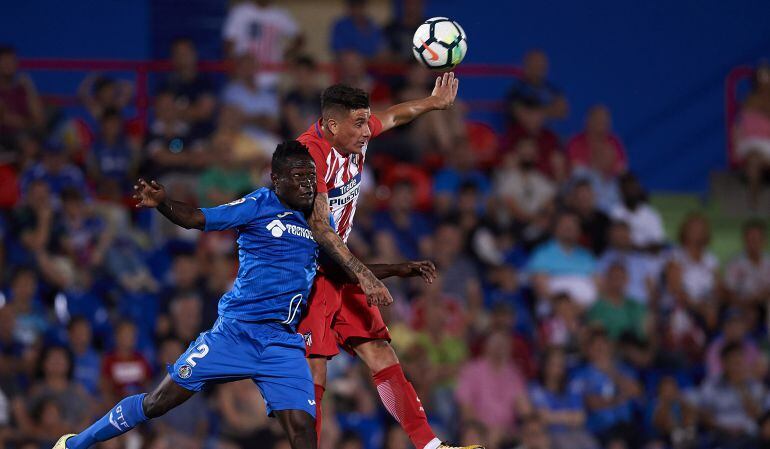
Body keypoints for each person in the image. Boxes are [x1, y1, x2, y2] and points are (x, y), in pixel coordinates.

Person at [53, 141, 324, 449]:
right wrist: (164, 203)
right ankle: (73, 444)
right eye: (299, 175)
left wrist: (390, 269)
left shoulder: (318, 222)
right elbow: (197, 218)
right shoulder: (259, 204)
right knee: (156, 403)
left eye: (311, 176)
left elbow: (344, 266)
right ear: (276, 180)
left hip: (281, 343)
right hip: (235, 334)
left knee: (303, 430)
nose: (307, 183)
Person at [295, 76, 482, 449]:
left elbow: (395, 116)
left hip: (338, 267)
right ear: (332, 125)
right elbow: (318, 228)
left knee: (380, 349)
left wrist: (432, 102)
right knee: (315, 365)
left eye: (367, 122)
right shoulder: (307, 156)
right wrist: (365, 275)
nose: (368, 131)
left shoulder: (354, 135)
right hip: (302, 273)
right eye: (360, 124)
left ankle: (430, 445)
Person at [734, 62, 770, 207]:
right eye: (761, 78)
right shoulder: (750, 100)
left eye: (767, 77)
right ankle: (753, 197)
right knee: (754, 160)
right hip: (752, 143)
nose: (765, 81)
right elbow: (738, 126)